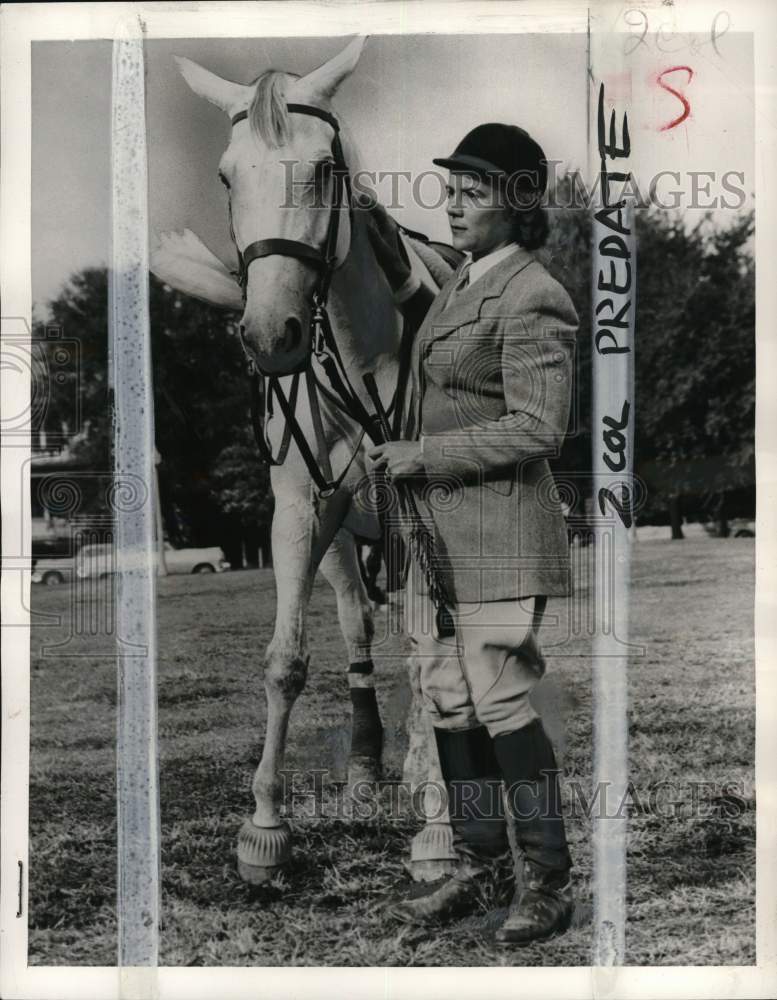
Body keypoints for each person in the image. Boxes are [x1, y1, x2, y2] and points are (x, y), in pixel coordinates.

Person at [365, 123, 579, 944]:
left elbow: (539, 428)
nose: (452, 202)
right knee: (450, 700)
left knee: (500, 697)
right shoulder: (459, 286)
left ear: (518, 204)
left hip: (497, 531)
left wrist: (426, 454)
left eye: (472, 191)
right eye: (449, 188)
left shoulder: (533, 293)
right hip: (435, 539)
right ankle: (482, 873)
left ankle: (548, 886)